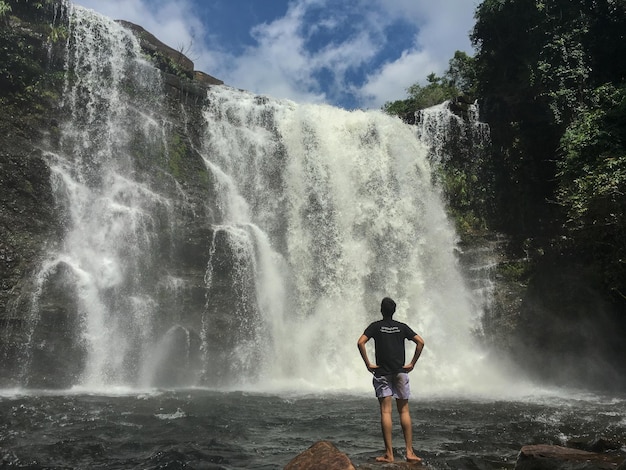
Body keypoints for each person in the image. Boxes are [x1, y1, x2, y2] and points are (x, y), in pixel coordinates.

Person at [357, 297, 425, 463]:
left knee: (386, 412)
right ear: (394, 311)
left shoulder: (376, 326)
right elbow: (420, 342)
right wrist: (412, 363)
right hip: (401, 372)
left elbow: (360, 342)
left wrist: (368, 364)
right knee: (404, 411)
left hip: (382, 372)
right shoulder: (401, 327)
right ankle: (409, 452)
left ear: (381, 310)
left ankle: (389, 454)